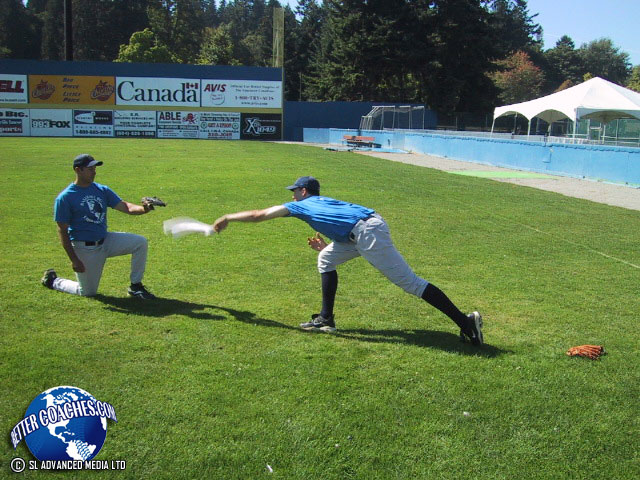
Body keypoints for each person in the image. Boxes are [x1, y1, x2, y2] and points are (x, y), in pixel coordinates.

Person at [213, 176, 483, 345]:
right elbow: (343, 223)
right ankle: (325, 319)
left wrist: (228, 217)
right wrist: (328, 246)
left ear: (304, 191)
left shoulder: (301, 204)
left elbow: (259, 215)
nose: (292, 195)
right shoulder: (324, 201)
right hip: (363, 229)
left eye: (294, 191)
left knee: (411, 283)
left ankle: (466, 322)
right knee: (325, 258)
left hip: (366, 233)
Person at [41, 154, 156, 299]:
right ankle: (53, 281)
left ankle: (136, 286)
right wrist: (74, 260)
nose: (94, 172)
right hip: (85, 248)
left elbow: (126, 207)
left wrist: (144, 209)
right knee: (87, 292)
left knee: (140, 242)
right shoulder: (65, 197)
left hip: (106, 240)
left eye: (94, 168)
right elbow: (62, 231)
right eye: (90, 169)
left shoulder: (101, 190)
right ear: (78, 170)